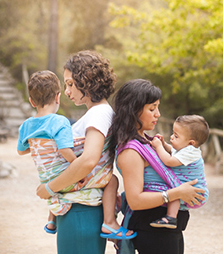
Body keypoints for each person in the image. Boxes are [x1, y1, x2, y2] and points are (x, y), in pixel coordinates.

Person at [36, 50, 135, 254]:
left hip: (80, 210)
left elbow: (89, 160)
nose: (66, 91)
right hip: (80, 209)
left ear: (87, 81)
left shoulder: (98, 113)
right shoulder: (99, 112)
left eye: (70, 84)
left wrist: (50, 187)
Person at [110, 79, 206, 254]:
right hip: (153, 229)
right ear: (134, 110)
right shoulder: (131, 151)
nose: (158, 114)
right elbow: (135, 200)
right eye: (152, 108)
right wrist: (178, 192)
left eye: (158, 108)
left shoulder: (146, 141)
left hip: (164, 229)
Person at [17, 70, 77, 234]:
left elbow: (21, 151)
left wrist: (38, 145)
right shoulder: (59, 121)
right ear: (58, 97)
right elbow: (65, 150)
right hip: (62, 178)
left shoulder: (26, 125)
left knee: (53, 176)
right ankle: (110, 222)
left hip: (46, 178)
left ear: (31, 101)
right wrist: (78, 165)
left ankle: (51, 221)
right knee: (110, 181)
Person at [149, 115, 209, 229]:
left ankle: (171, 217)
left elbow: (169, 161)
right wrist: (163, 144)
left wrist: (158, 146)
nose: (171, 137)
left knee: (176, 192)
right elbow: (172, 151)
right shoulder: (185, 149)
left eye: (176, 136)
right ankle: (171, 216)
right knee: (176, 190)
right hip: (189, 187)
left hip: (196, 192)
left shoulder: (190, 151)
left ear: (191, 143)